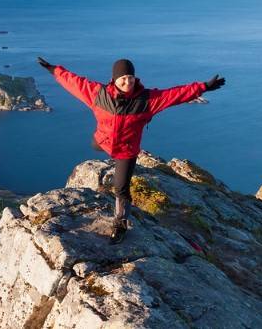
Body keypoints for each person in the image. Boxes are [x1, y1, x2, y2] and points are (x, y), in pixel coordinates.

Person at [37, 57, 225, 244]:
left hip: (126, 150)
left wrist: (203, 87)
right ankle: (101, 145)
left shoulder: (147, 101)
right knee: (94, 145)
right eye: (123, 79)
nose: (128, 82)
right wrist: (54, 69)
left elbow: (175, 94)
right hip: (103, 141)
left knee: (121, 188)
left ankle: (120, 225)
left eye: (131, 78)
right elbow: (74, 82)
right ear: (114, 80)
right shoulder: (99, 94)